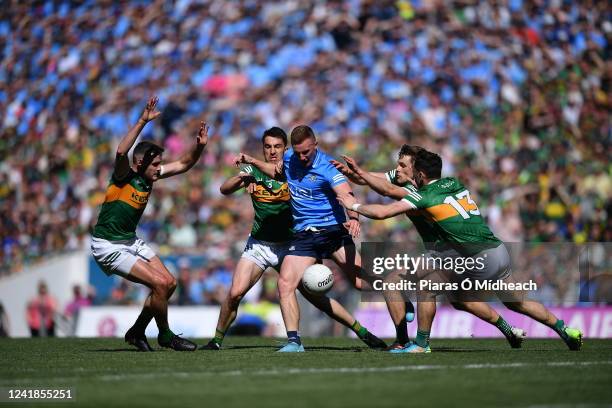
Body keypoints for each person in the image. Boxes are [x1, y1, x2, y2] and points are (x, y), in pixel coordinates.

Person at [338, 149, 583, 353]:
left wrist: (353, 204)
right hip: (496, 250)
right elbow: (383, 180)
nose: (397, 171)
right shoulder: (452, 182)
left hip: (468, 256)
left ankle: (420, 344)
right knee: (511, 301)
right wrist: (358, 173)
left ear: (418, 172)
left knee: (427, 287)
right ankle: (564, 329)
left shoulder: (422, 195)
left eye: (402, 166)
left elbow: (385, 201)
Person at [202, 127, 385, 350]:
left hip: (292, 242)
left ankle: (360, 331)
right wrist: (243, 177)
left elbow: (337, 191)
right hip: (260, 244)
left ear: (285, 148)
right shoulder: (256, 170)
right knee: (235, 292)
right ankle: (217, 340)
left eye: (277, 146)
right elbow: (224, 189)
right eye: (267, 147)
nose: (272, 151)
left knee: (317, 295)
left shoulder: (294, 168)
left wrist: (352, 214)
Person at [91, 96, 208, 351]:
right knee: (161, 284)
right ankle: (165, 335)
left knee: (170, 283)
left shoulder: (150, 176)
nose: (159, 168)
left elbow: (186, 163)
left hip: (130, 240)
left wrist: (199, 146)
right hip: (108, 245)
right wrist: (142, 121)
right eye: (155, 164)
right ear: (140, 163)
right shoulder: (124, 177)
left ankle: (136, 331)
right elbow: (121, 151)